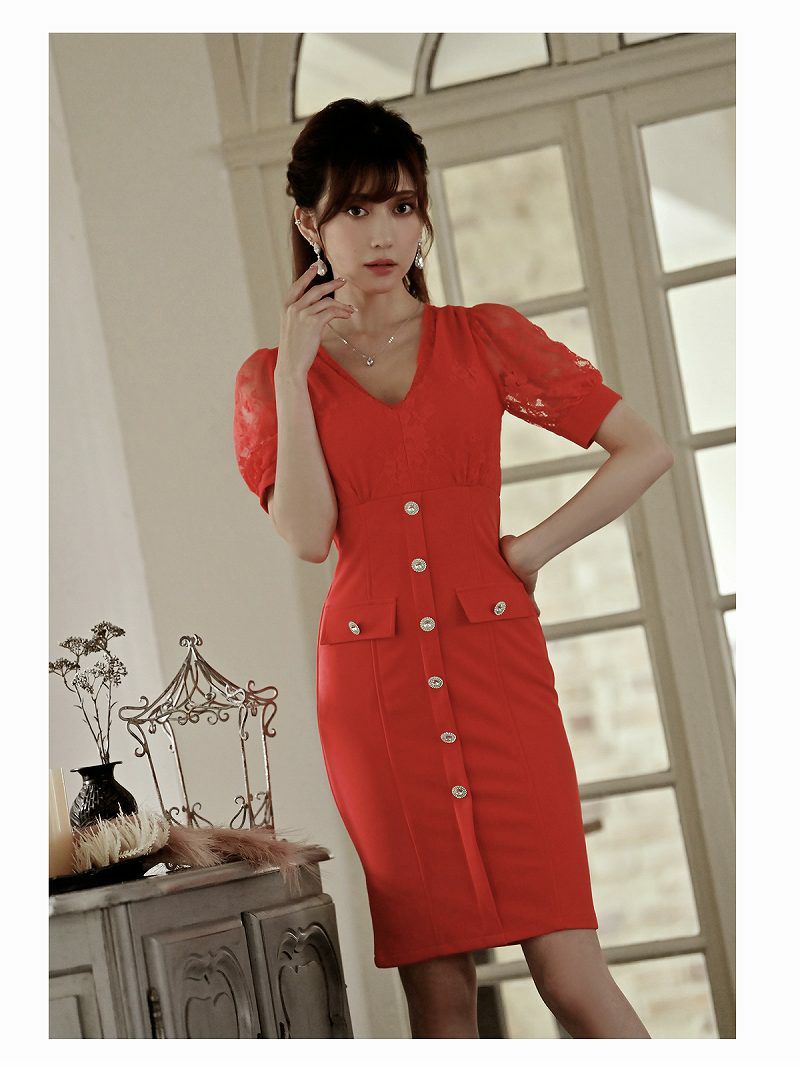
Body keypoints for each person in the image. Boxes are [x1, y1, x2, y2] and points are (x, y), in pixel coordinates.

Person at [234, 97, 670, 1039]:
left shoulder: (485, 338)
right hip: (375, 695)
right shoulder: (273, 377)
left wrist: (529, 549)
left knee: (570, 972)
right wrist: (293, 376)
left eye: (401, 207)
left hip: (498, 673)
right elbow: (306, 534)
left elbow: (645, 447)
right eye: (355, 210)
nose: (382, 233)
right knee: (438, 994)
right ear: (309, 221)